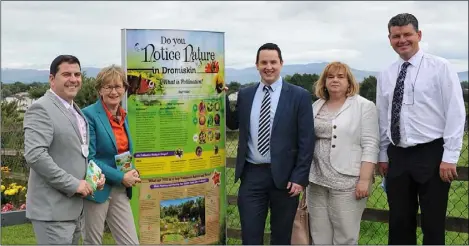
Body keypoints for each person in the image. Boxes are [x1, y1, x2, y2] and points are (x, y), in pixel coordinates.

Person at [376, 13, 466, 245]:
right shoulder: (386, 74)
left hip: (432, 154)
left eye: (407, 34)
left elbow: (456, 113)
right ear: (389, 38)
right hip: (398, 156)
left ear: (419, 35)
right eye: (396, 36)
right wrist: (383, 154)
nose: (402, 40)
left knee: (433, 223)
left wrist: (450, 156)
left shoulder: (441, 67)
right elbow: (383, 117)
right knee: (399, 222)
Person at [226, 43, 314, 245]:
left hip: (285, 179)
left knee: (281, 237)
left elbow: (306, 140)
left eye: (273, 62)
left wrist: (300, 177)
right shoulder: (246, 95)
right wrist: (221, 98)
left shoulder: (299, 96)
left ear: (281, 64)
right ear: (256, 65)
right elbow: (233, 123)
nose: (269, 67)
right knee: (250, 236)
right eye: (263, 62)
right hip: (252, 175)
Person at [23, 55, 105, 245]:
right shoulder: (41, 109)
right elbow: (35, 156)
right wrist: (74, 184)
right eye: (66, 74)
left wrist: (92, 179)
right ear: (52, 79)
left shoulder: (75, 110)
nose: (73, 79)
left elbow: (76, 153)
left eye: (77, 74)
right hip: (53, 211)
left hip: (73, 210)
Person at [308, 62, 379, 244]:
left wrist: (364, 180)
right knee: (319, 235)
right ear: (323, 82)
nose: (335, 80)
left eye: (340, 77)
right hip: (316, 180)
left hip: (348, 181)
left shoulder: (364, 106)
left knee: (345, 237)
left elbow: (371, 144)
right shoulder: (316, 105)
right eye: (330, 77)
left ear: (349, 82)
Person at [81, 65, 141, 245]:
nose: (114, 91)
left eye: (118, 86)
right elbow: (90, 158)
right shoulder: (88, 115)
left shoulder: (123, 115)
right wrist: (122, 176)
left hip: (120, 189)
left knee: (130, 243)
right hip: (98, 187)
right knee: (93, 242)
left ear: (124, 89)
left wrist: (131, 172)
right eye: (108, 87)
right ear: (100, 89)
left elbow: (122, 151)